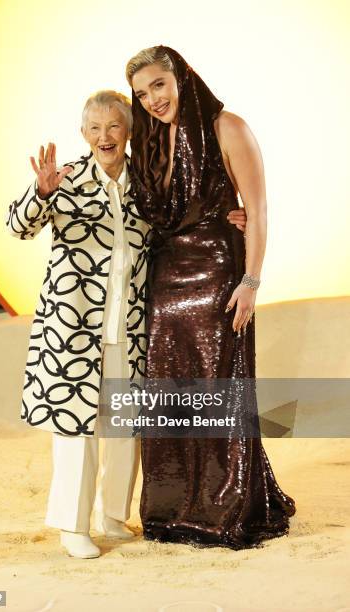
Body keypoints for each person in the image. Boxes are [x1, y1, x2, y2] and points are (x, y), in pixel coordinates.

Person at [6, 89, 247, 558]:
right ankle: (72, 527)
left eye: (113, 126)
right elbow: (18, 226)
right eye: (94, 128)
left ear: (129, 132)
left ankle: (112, 515)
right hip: (73, 328)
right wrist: (40, 193)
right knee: (75, 428)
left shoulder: (146, 184)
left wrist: (225, 217)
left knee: (123, 427)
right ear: (83, 133)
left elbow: (179, 225)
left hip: (130, 327)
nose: (104, 136)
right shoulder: (66, 179)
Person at [125, 45, 296, 549]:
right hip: (165, 275)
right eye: (142, 93)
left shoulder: (229, 127)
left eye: (158, 84)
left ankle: (222, 506)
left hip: (219, 275)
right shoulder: (149, 137)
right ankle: (173, 509)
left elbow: (258, 212)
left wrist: (252, 280)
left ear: (180, 76)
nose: (152, 99)